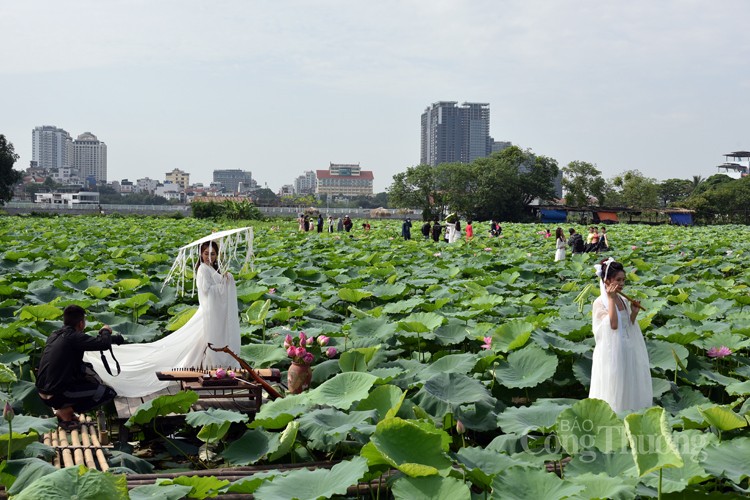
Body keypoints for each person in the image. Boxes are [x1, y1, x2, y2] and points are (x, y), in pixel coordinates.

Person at [84, 240, 241, 398]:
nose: (209, 257)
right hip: (208, 313)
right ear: (201, 254)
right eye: (206, 254)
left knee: (202, 343)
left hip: (215, 314)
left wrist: (226, 279)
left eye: (212, 254)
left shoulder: (213, 269)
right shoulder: (202, 270)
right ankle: (210, 369)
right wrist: (224, 285)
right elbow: (207, 292)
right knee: (203, 342)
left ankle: (214, 368)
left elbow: (217, 287)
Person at [36, 305, 123, 430]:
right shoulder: (74, 337)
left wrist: (112, 339)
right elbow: (103, 344)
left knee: (86, 374)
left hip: (42, 393)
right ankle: (66, 412)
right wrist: (105, 331)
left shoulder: (54, 335)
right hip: (57, 394)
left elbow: (89, 342)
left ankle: (65, 409)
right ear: (81, 323)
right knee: (107, 393)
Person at [589, 258, 652, 413]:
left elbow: (627, 326)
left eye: (623, 280)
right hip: (611, 353)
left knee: (628, 383)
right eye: (618, 280)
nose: (622, 283)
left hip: (627, 348)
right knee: (614, 385)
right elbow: (614, 325)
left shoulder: (623, 299)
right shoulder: (600, 303)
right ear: (607, 280)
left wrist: (634, 313)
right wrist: (610, 299)